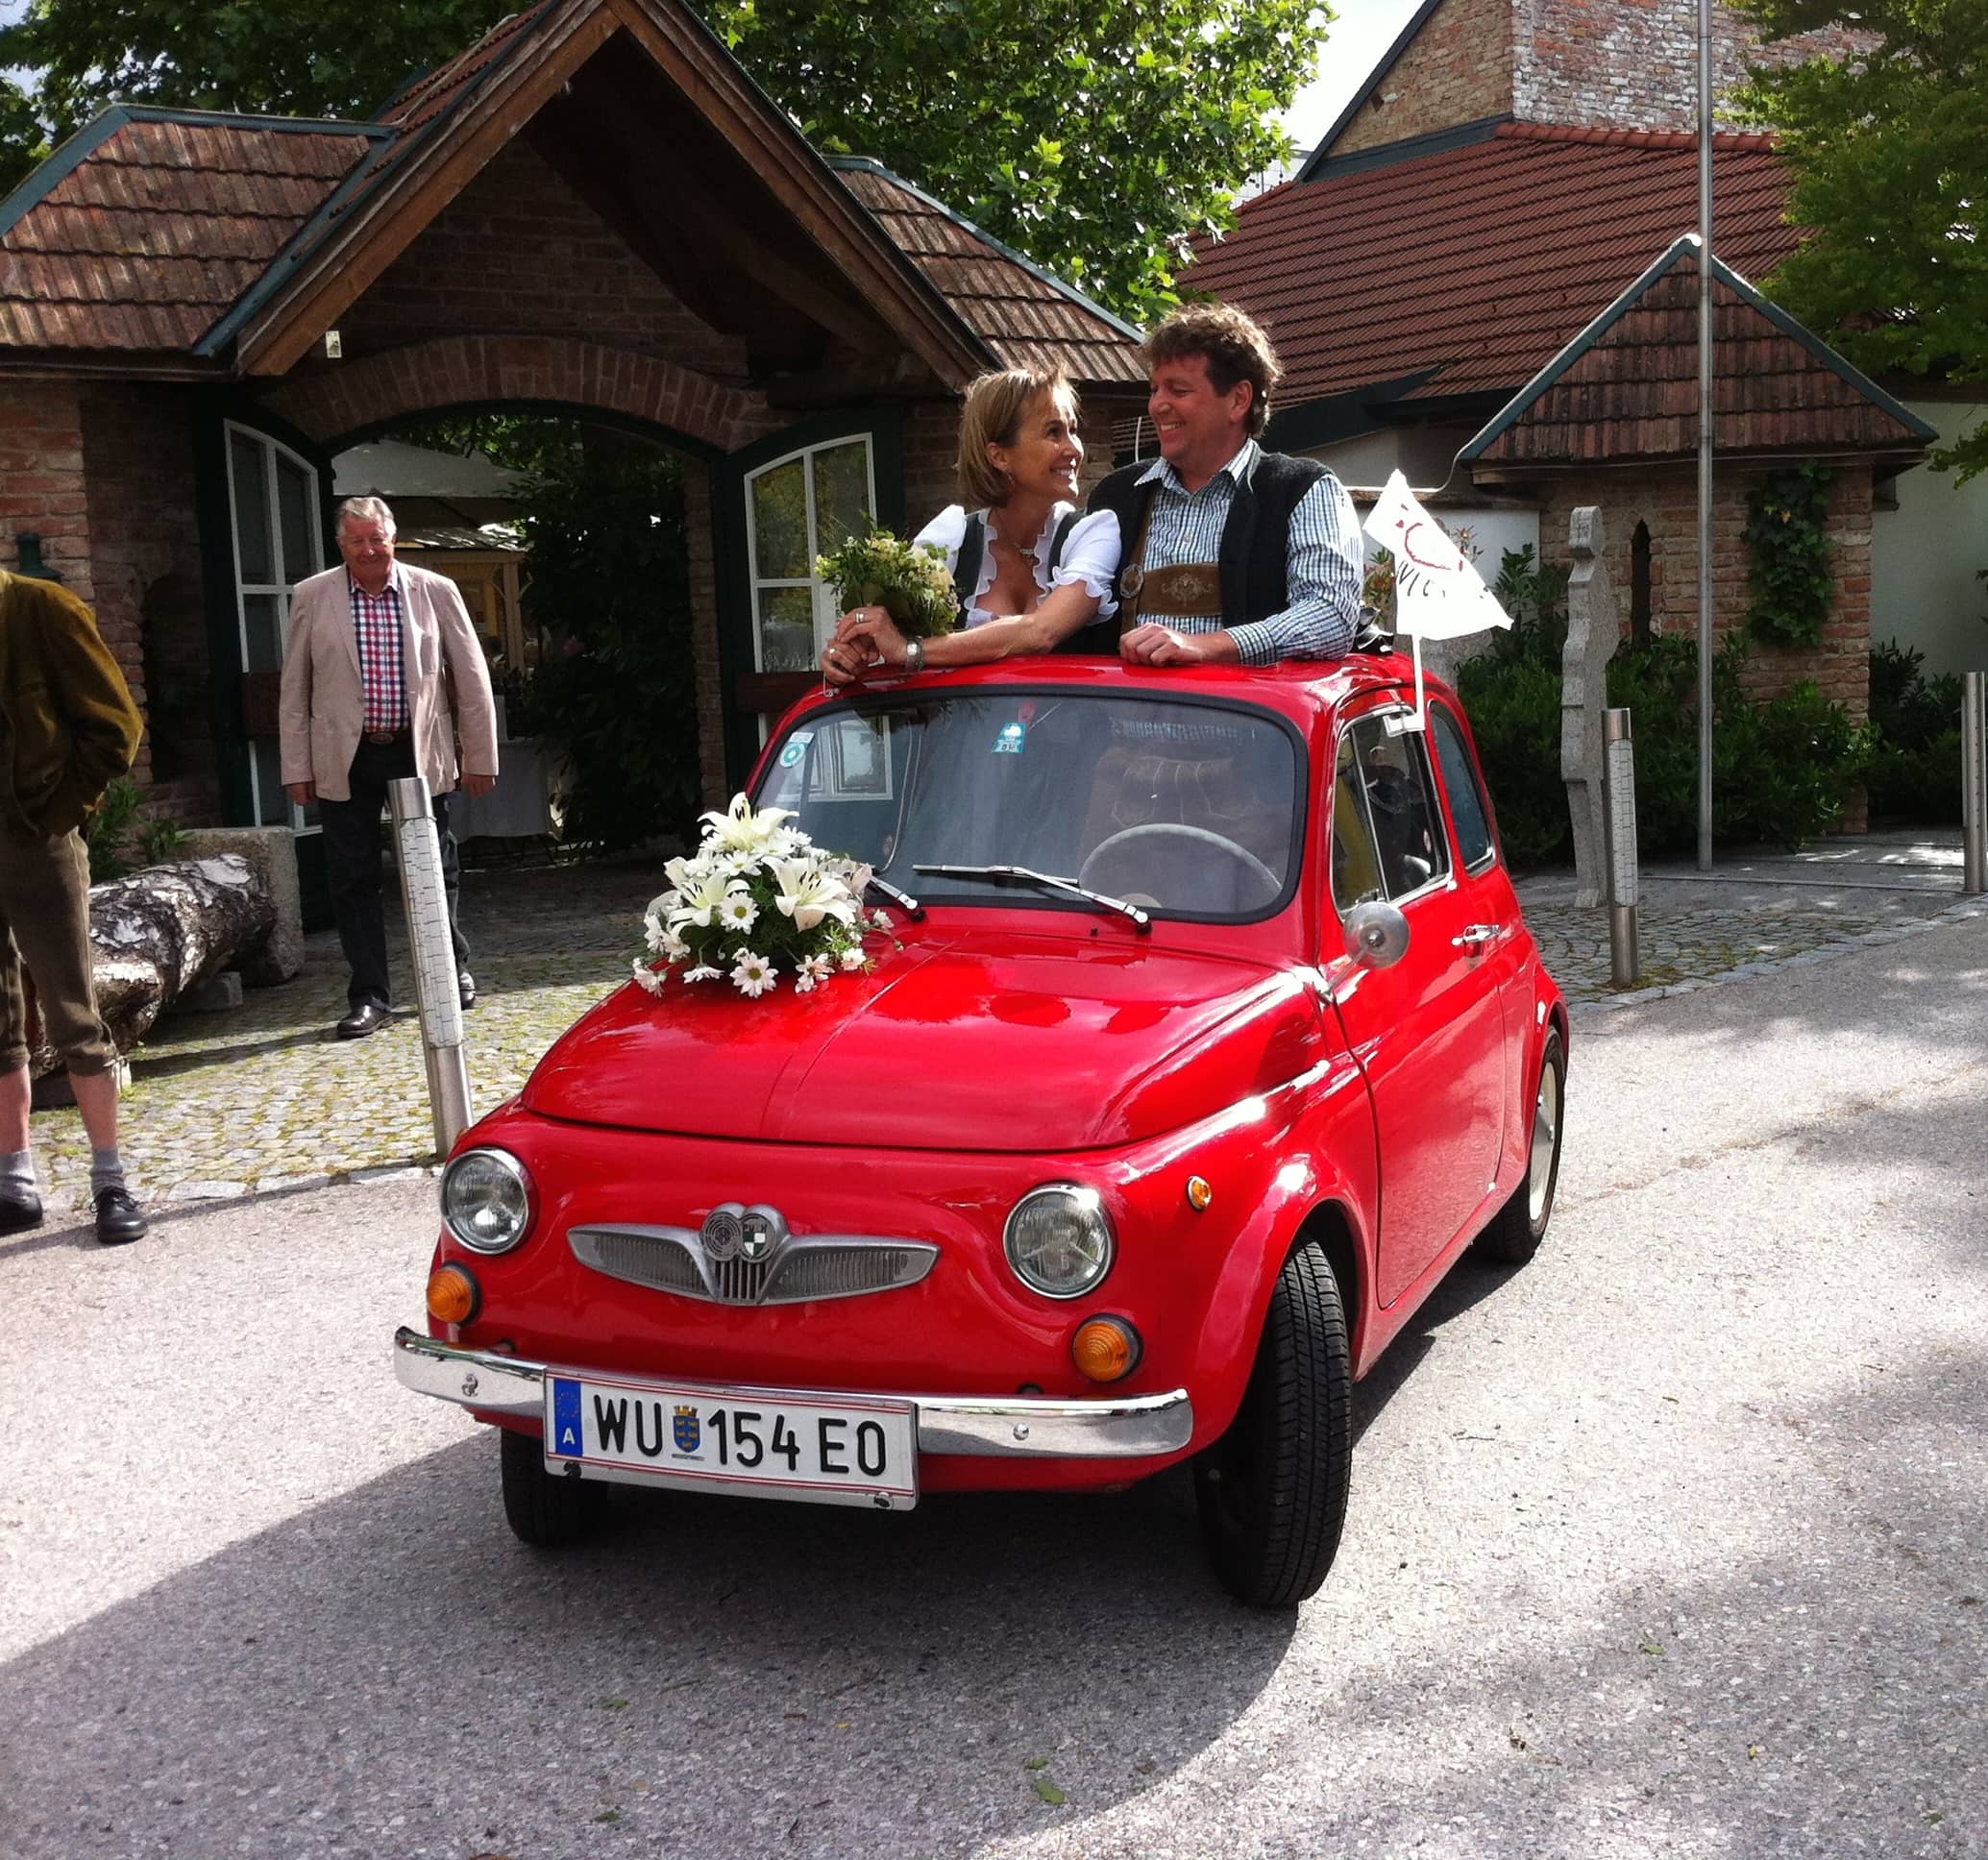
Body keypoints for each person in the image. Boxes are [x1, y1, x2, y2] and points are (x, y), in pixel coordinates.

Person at [280, 497, 498, 1040]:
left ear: (393, 538)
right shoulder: (312, 596)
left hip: (416, 748)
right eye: (358, 540)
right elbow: (295, 690)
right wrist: (296, 768)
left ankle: (451, 973)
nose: (370, 549)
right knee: (352, 876)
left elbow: (471, 680)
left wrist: (480, 755)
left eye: (378, 538)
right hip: (345, 755)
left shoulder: (434, 591)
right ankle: (371, 995)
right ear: (341, 544)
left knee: (433, 866)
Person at [1090, 301, 1364, 668]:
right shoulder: (1116, 496)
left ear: (1238, 400)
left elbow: (1330, 616)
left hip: (1253, 724)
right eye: (1155, 389)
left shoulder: (1303, 490)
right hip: (1125, 724)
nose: (1157, 406)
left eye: (1178, 390)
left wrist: (1207, 646)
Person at [0, 570, 148, 1244]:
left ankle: (111, 1181)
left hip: (39, 838)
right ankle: (14, 1181)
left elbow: (116, 729)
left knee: (72, 1010)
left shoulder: (41, 608)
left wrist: (57, 817)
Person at [820, 367, 1119, 684]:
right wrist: (850, 654)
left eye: (1073, 431)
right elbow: (881, 640)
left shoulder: (1094, 534)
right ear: (999, 456)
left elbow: (1041, 632)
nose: (1073, 449)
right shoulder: (951, 540)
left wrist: (911, 651)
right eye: (1053, 432)